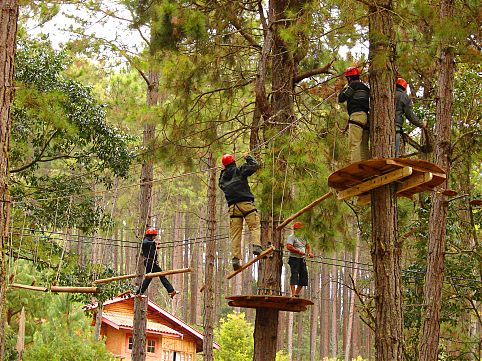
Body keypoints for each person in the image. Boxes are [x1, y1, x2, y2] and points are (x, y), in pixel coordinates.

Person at [219, 152, 263, 271]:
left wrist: (224, 170)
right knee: (254, 226)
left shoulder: (223, 179)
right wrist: (247, 156)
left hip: (233, 209)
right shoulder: (240, 170)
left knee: (235, 235)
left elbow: (221, 182)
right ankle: (256, 246)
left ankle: (235, 259)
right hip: (246, 204)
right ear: (233, 162)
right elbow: (255, 165)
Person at [338, 66, 370, 162]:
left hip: (356, 116)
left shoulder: (353, 86)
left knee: (354, 144)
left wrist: (344, 88)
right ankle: (366, 167)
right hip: (366, 117)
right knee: (364, 145)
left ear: (349, 78)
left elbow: (341, 98)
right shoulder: (366, 88)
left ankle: (356, 168)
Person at [136, 227, 178, 298]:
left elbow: (149, 247)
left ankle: (139, 292)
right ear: (151, 235)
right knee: (161, 275)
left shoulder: (150, 242)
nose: (155, 237)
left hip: (151, 262)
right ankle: (171, 290)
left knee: (148, 278)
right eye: (154, 235)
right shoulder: (147, 240)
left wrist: (155, 246)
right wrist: (154, 243)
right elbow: (145, 243)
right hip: (150, 262)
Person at [395, 78, 427, 157]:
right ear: (404, 88)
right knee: (393, 153)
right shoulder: (404, 97)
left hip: (380, 126)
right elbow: (410, 115)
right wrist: (421, 124)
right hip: (395, 127)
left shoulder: (388, 93)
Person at [286, 221, 314, 297]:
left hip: (302, 259)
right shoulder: (291, 237)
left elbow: (308, 246)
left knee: (304, 276)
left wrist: (310, 253)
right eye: (297, 229)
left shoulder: (304, 237)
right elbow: (289, 247)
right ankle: (293, 293)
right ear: (295, 230)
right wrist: (298, 251)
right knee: (294, 275)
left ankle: (296, 293)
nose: (298, 231)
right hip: (294, 259)